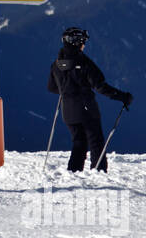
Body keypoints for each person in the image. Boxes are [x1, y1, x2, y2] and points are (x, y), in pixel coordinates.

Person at [47, 27, 132, 172]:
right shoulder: (83, 61)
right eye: (83, 41)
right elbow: (100, 86)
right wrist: (123, 97)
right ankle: (98, 171)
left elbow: (52, 88)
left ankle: (73, 172)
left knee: (79, 141)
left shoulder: (56, 64)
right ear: (77, 42)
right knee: (96, 141)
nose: (84, 45)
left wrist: (67, 90)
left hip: (67, 111)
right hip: (87, 109)